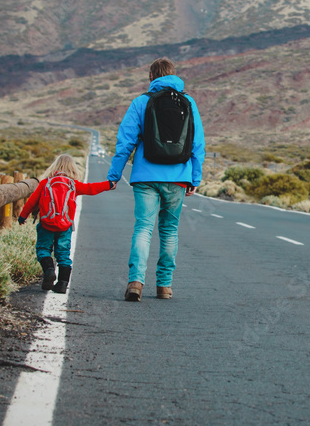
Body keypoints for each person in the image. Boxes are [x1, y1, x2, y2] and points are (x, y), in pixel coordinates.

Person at [107, 57, 205, 301]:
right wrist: (195, 177)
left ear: (151, 77)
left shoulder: (141, 102)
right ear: (173, 75)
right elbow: (198, 144)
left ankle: (136, 283)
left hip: (145, 177)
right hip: (178, 177)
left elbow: (125, 143)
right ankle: (164, 286)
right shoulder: (189, 102)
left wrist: (114, 175)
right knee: (169, 231)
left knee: (143, 228)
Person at [18, 154, 115, 293]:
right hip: (65, 226)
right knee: (63, 253)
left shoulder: (45, 182)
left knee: (43, 249)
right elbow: (91, 188)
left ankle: (49, 270)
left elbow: (31, 202)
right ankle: (62, 284)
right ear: (73, 169)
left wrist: (23, 216)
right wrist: (109, 184)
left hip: (46, 224)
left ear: (55, 166)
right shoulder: (73, 185)